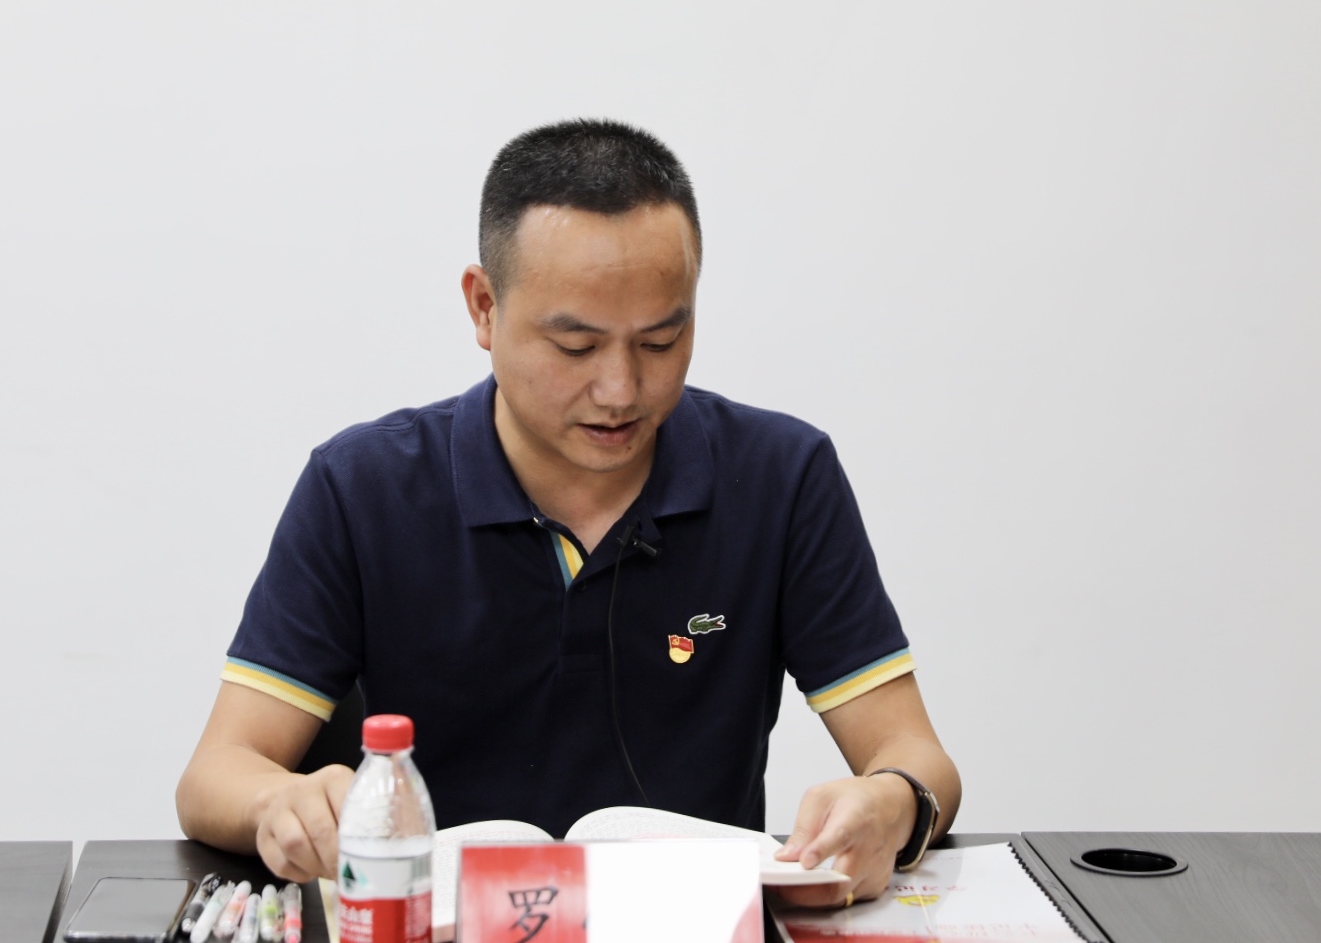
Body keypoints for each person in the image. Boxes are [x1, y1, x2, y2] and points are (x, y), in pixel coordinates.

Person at [176, 120, 960, 905]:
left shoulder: (782, 477)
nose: (621, 390)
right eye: (577, 347)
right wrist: (280, 801)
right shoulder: (362, 487)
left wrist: (894, 801)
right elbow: (215, 773)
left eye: (661, 340)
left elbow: (917, 756)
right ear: (484, 306)